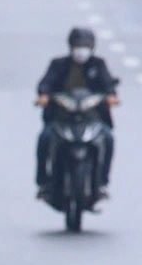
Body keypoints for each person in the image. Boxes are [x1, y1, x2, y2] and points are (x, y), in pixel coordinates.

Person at [35, 25, 118, 195]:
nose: (81, 50)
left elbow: (108, 85)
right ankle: (42, 180)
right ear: (71, 46)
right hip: (62, 117)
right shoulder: (58, 64)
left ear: (92, 47)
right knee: (45, 138)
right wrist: (44, 95)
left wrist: (111, 96)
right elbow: (46, 83)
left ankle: (102, 181)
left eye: (85, 46)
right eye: (78, 46)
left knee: (108, 139)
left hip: (92, 117)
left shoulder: (98, 65)